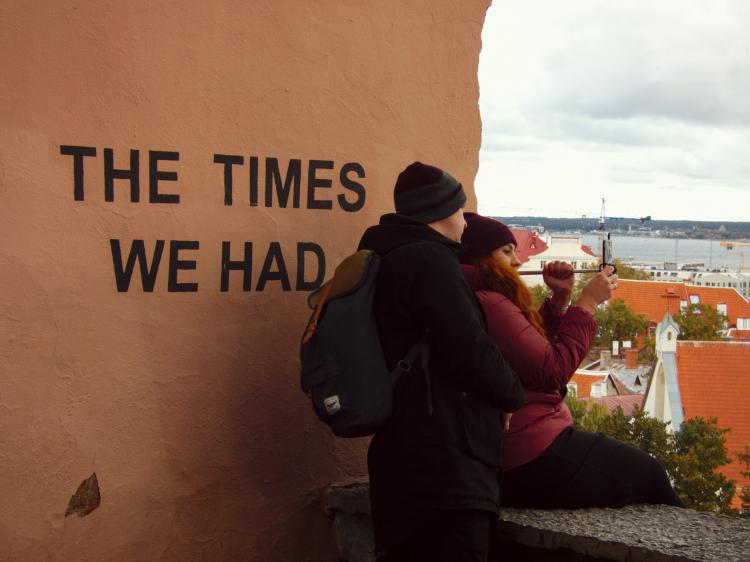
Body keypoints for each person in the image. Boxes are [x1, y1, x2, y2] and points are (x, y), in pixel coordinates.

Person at [357, 163, 524, 562]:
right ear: (441, 212)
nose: (466, 222)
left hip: (404, 463)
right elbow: (470, 349)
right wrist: (512, 395)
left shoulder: (385, 255)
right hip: (445, 467)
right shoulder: (428, 261)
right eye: (460, 210)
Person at [459, 213, 684, 509]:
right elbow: (552, 370)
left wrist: (558, 301)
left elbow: (527, 351)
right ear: (481, 258)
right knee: (650, 474)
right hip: (529, 450)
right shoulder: (491, 300)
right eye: (506, 251)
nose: (517, 262)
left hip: (510, 449)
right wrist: (587, 304)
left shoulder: (473, 295)